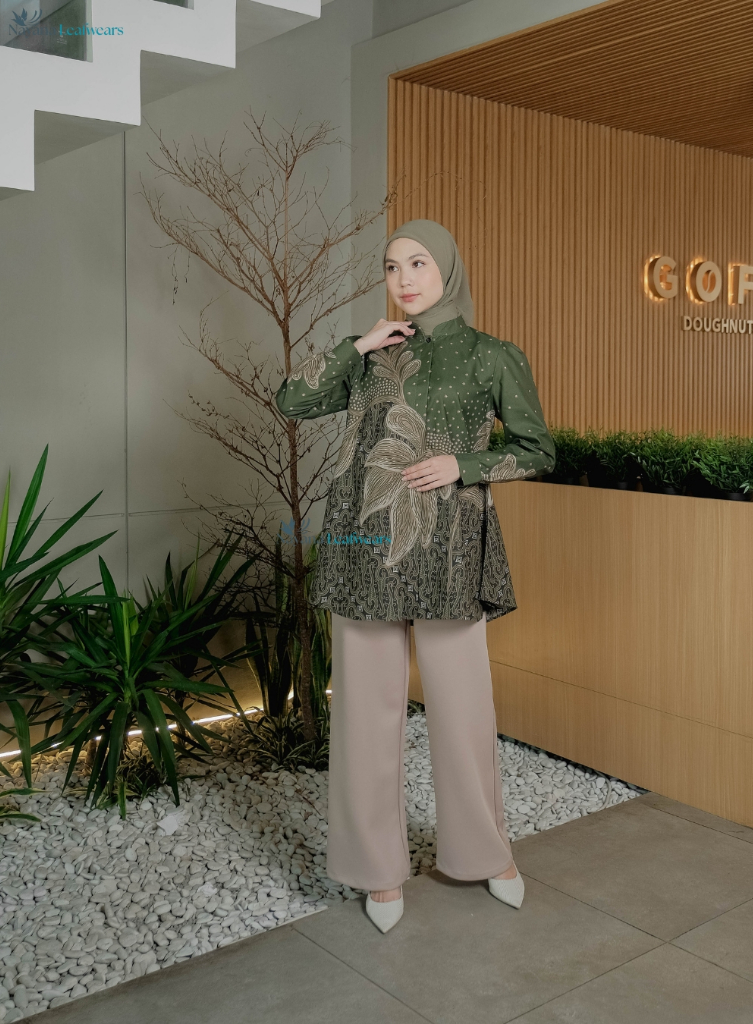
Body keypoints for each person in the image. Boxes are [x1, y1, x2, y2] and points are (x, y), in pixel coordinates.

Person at [273, 219, 556, 932]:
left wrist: (466, 464)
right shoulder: (371, 355)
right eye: (392, 266)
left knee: (464, 713)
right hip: (364, 549)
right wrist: (358, 345)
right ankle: (377, 870)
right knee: (365, 716)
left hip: (448, 552)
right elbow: (291, 401)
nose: (403, 279)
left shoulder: (493, 355)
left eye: (419, 263)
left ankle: (486, 853)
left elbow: (538, 450)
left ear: (448, 268)